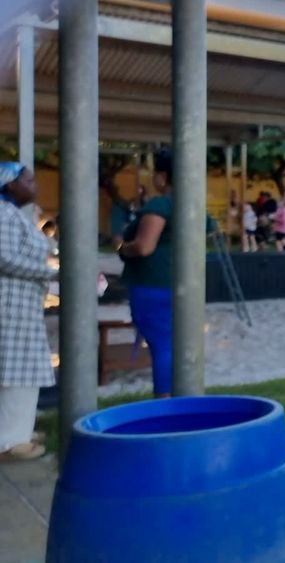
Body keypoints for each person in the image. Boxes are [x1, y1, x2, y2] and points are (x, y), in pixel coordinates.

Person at [0, 164, 56, 461]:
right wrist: (47, 273)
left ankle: (15, 430)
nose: (34, 185)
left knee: (18, 372)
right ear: (9, 185)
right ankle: (11, 441)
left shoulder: (11, 215)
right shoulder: (3, 214)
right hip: (11, 308)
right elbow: (4, 258)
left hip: (18, 305)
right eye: (28, 180)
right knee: (18, 373)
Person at [118, 149, 176, 398]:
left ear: (162, 177)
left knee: (161, 346)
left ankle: (164, 404)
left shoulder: (161, 204)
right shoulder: (192, 205)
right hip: (181, 283)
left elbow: (144, 246)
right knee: (174, 344)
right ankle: (180, 401)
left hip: (152, 285)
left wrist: (122, 248)